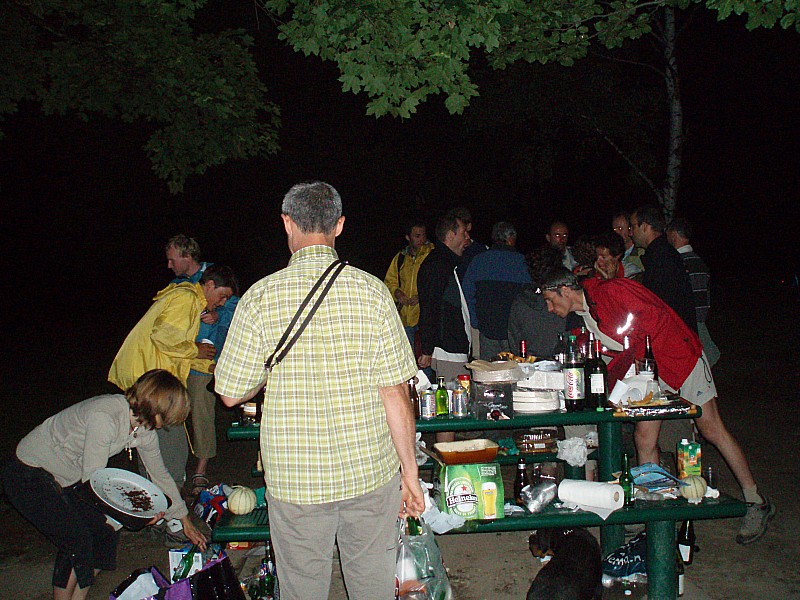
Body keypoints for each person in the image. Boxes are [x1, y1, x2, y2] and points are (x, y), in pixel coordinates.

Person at [214, 181, 425, 599]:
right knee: (371, 587)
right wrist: (411, 473)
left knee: (302, 589)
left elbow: (230, 394)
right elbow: (395, 394)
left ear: (286, 223)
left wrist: (269, 370)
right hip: (369, 473)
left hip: (296, 481)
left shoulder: (259, 297)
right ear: (339, 226)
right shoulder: (372, 292)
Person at [541, 268, 775, 545]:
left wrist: (635, 371)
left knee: (712, 429)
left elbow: (652, 318)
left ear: (564, 291)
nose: (548, 307)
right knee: (644, 438)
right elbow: (618, 348)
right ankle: (654, 509)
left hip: (679, 360)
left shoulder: (609, 291)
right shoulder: (586, 315)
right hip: (650, 376)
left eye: (550, 300)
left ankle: (755, 501)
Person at [1, 370, 207, 600]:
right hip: (28, 473)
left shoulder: (142, 428)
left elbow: (160, 475)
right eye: (171, 413)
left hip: (63, 476)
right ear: (156, 404)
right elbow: (94, 482)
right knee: (78, 540)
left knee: (105, 536)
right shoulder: (106, 417)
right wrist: (133, 518)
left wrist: (183, 519)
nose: (172, 421)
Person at [108, 264, 238, 498]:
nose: (221, 303)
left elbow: (179, 351)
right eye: (222, 296)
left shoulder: (191, 301)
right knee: (171, 445)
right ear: (209, 285)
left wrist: (211, 366)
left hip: (155, 376)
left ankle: (159, 503)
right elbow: (164, 337)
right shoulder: (186, 298)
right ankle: (165, 505)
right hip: (149, 378)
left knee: (155, 443)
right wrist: (195, 349)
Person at [165, 234, 241, 496]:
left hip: (204, 361)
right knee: (172, 411)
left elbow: (235, 309)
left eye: (173, 259)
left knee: (201, 413)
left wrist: (219, 315)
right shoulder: (178, 285)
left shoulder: (217, 279)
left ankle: (200, 470)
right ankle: (172, 469)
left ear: (187, 256)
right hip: (180, 360)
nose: (169, 265)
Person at [462, 221, 531, 359]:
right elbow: (530, 298)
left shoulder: (479, 261)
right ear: (511, 239)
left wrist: (476, 321)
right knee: (514, 373)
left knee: (488, 373)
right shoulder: (523, 263)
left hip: (487, 329)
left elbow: (467, 293)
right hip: (513, 332)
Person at [417, 212, 472, 381]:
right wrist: (427, 349)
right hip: (448, 352)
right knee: (456, 403)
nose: (468, 238)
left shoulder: (448, 264)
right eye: (464, 233)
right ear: (450, 236)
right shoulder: (436, 266)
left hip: (454, 350)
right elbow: (430, 307)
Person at [630, 205, 697, 332]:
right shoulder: (660, 253)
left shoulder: (662, 257)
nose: (631, 233)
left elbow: (660, 304)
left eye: (633, 227)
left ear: (644, 226)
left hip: (674, 337)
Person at [667, 217, 721, 368]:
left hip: (690, 325)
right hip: (698, 322)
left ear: (674, 234)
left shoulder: (679, 263)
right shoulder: (699, 262)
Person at [383, 221, 434, 354]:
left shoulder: (432, 254)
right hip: (405, 317)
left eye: (423, 235)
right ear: (408, 237)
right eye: (417, 236)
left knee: (425, 358)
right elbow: (389, 281)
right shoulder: (400, 257)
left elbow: (437, 283)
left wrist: (421, 296)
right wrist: (397, 293)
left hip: (425, 316)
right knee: (409, 357)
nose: (421, 239)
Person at [507, 246, 568, 357]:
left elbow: (514, 339)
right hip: (559, 364)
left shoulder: (521, 300)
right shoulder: (563, 301)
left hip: (529, 364)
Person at [612, 211, 644, 278]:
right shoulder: (613, 254)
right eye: (614, 230)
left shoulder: (641, 253)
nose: (617, 233)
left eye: (620, 228)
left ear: (630, 228)